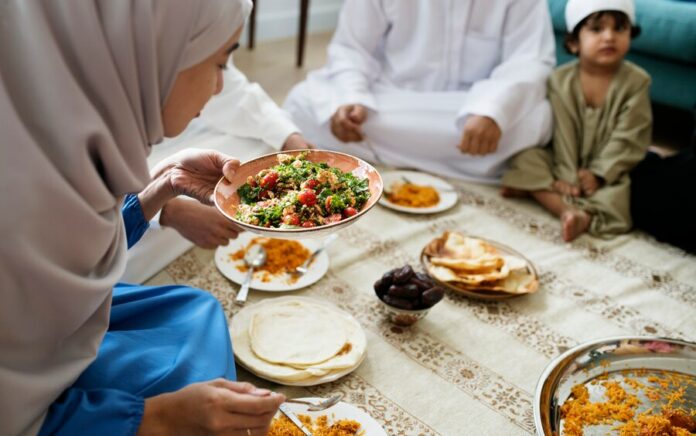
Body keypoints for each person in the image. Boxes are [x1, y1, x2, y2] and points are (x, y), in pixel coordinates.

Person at [0, 1, 285, 435]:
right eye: (219, 63)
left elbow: (85, 243)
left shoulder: (59, 133)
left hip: (48, 341)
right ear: (151, 51)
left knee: (196, 310)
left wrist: (161, 188)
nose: (217, 87)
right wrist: (158, 418)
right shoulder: (22, 207)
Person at [283, 0, 556, 183]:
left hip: (469, 109)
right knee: (302, 102)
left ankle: (377, 148)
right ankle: (452, 158)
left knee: (538, 119)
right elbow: (352, 48)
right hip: (392, 96)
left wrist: (494, 110)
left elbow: (530, 59)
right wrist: (352, 98)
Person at [123, 65, 314, 282]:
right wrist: (166, 209)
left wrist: (288, 137)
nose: (219, 86)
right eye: (217, 67)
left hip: (179, 138)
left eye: (222, 65)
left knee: (267, 153)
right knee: (128, 250)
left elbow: (232, 91)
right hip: (124, 185)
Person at [501, 0, 652, 242]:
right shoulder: (560, 80)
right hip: (564, 160)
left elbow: (629, 137)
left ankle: (578, 211)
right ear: (573, 43)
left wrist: (599, 174)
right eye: (597, 29)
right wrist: (567, 176)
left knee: (618, 198)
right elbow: (564, 132)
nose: (609, 37)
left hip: (607, 169)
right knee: (525, 159)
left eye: (619, 28)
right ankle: (567, 210)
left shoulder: (637, 82)